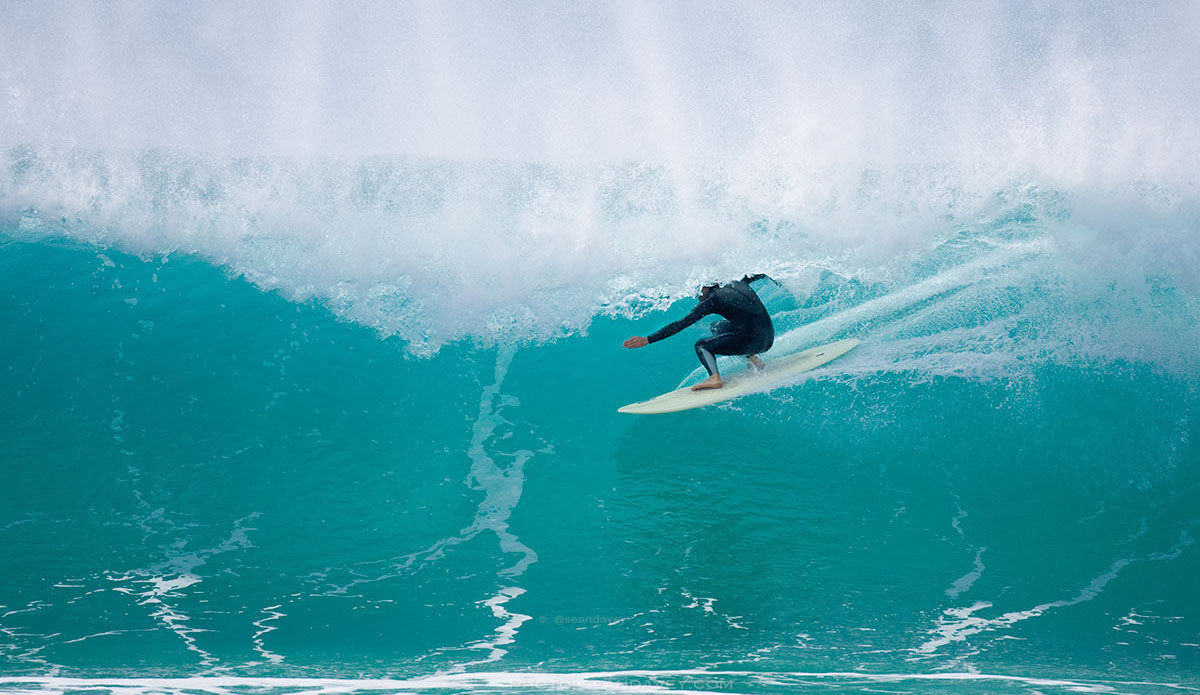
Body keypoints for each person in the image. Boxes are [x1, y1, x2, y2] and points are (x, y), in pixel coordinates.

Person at [623, 274, 778, 390]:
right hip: (768, 337)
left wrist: (647, 340)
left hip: (755, 342)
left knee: (702, 345)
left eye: (699, 292)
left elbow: (681, 323)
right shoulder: (737, 281)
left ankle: (714, 378)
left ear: (706, 287)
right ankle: (755, 360)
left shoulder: (713, 299)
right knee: (717, 327)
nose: (698, 297)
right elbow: (760, 273)